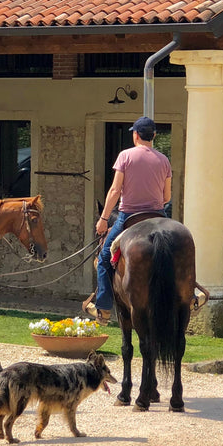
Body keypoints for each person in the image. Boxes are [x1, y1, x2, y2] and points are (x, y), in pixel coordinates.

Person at [88, 116, 172, 325]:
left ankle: (104, 309)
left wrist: (104, 219)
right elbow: (167, 198)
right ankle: (190, 297)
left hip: (128, 216)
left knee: (105, 259)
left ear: (135, 135)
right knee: (174, 257)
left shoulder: (125, 156)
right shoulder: (164, 160)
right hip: (157, 216)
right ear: (153, 136)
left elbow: (116, 190)